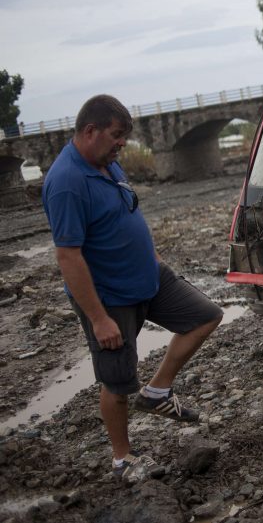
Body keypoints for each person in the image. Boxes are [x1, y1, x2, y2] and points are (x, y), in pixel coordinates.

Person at [41, 95, 223, 482]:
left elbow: (127, 213)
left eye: (124, 137)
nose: (122, 143)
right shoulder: (67, 183)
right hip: (110, 297)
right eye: (117, 135)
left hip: (150, 278)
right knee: (119, 382)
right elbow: (69, 257)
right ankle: (123, 459)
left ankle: (158, 393)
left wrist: (153, 257)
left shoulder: (107, 163)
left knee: (205, 316)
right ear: (90, 131)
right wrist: (98, 318)